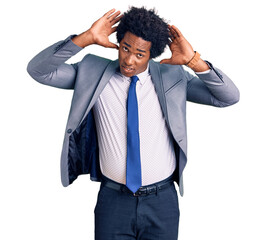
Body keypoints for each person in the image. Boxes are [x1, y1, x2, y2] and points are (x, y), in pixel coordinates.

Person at [27, 6, 239, 240]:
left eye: (139, 54)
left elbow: (228, 97)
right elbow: (39, 71)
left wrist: (193, 61)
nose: (129, 60)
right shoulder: (92, 71)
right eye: (125, 49)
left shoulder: (173, 76)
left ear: (151, 55)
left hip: (162, 202)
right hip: (113, 201)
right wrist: (85, 39)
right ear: (118, 43)